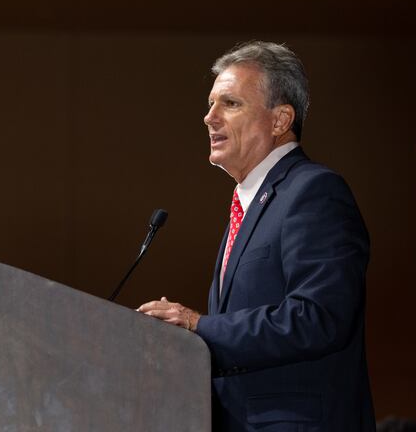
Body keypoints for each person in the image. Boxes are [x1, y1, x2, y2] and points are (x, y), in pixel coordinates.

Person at [138, 41, 375, 431]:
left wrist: (199, 325)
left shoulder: (314, 192)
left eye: (230, 104)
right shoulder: (250, 206)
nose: (208, 117)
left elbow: (320, 318)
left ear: (280, 120)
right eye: (211, 104)